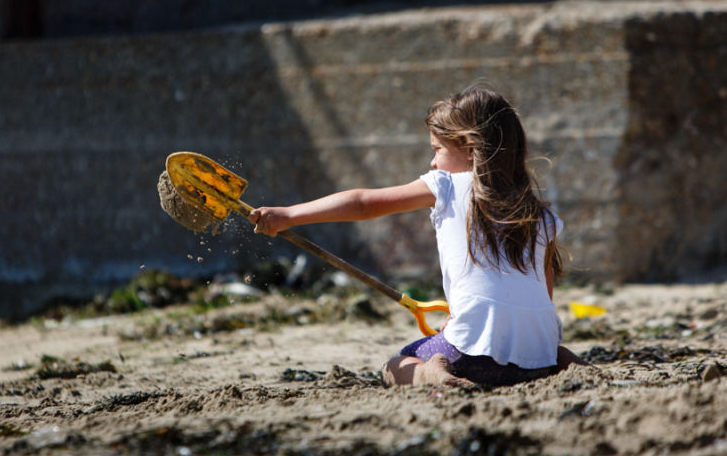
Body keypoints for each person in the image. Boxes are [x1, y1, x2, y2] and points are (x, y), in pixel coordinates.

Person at [249, 88, 585, 387]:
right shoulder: (541, 214)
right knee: (543, 348)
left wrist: (289, 215)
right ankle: (568, 364)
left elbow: (364, 203)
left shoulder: (448, 185)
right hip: (537, 361)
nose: (432, 160)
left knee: (397, 363)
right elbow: (542, 289)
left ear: (469, 149)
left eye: (437, 149)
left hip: (469, 359)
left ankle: (428, 374)